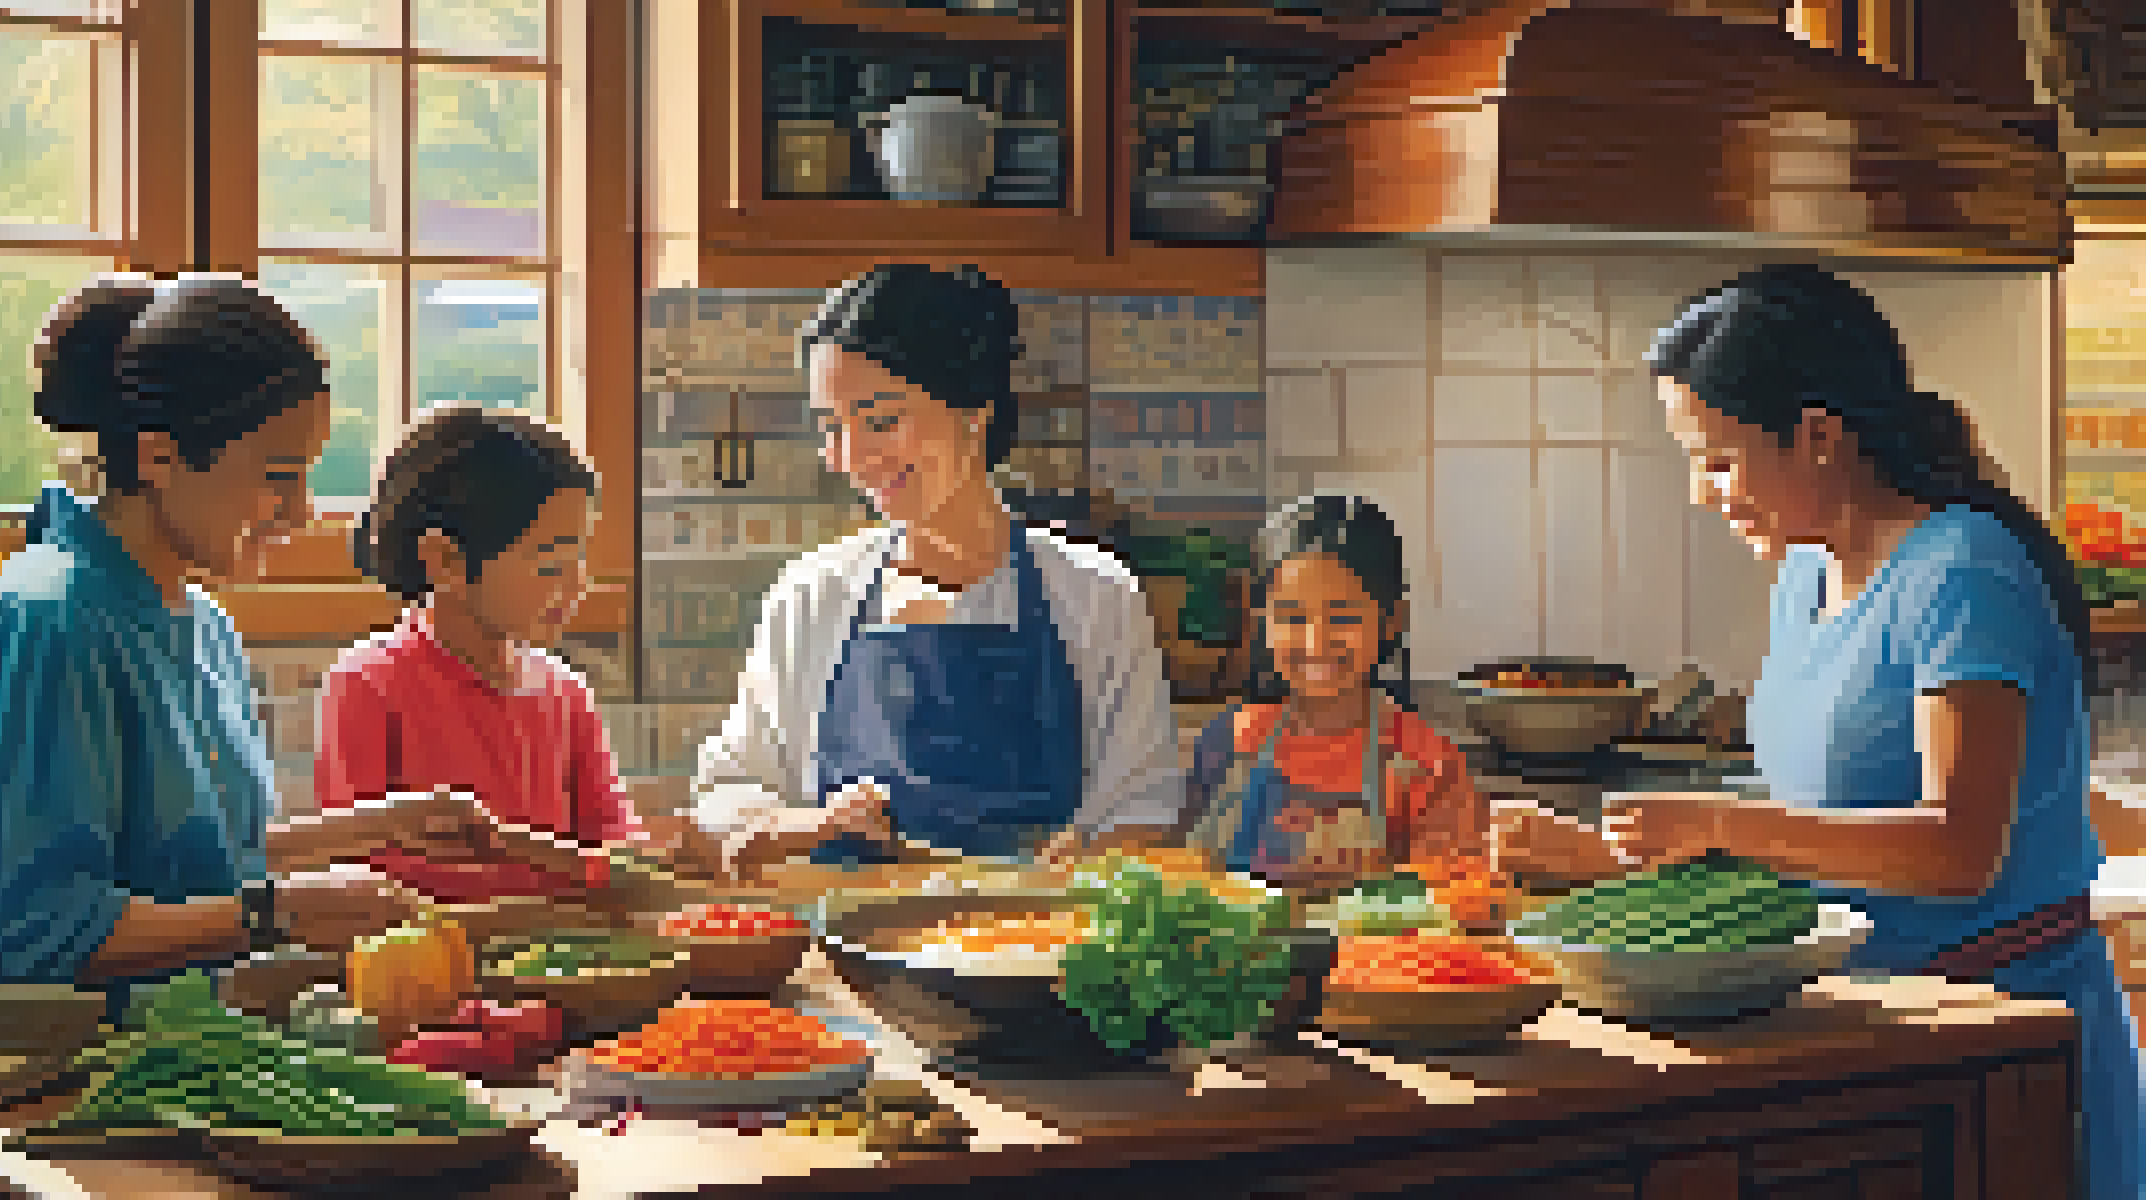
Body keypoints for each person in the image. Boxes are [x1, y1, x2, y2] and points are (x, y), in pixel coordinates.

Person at [1501, 263, 2137, 1200]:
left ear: (1819, 438)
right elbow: (1826, 824)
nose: (1699, 492)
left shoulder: (1963, 572)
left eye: (1716, 458)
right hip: (1875, 1032)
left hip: (2002, 1040)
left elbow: (1959, 852)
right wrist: (1618, 859)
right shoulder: (1807, 574)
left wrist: (1715, 826)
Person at [0, 275, 491, 1012]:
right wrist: (277, 911)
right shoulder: (52, 619)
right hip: (68, 1085)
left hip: (199, 1055)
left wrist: (388, 824)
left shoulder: (203, 624)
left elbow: (194, 858)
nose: (298, 514)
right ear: (160, 456)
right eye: (276, 477)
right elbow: (44, 926)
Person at [691, 264, 1186, 873]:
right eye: (830, 426)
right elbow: (728, 792)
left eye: (881, 422)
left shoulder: (1095, 594)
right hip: (848, 953)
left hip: (1036, 943)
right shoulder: (813, 594)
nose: (851, 458)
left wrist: (1088, 859)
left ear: (973, 413)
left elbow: (1143, 804)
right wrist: (807, 824)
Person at [317, 407, 637, 905]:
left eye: (581, 559)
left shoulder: (565, 692)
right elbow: (357, 876)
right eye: (551, 564)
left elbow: (619, 851)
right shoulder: (368, 685)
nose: (578, 586)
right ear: (444, 560)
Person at [1183, 494, 1491, 889]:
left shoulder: (1426, 766)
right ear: (1261, 619)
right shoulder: (1225, 745)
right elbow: (1177, 876)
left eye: (1343, 617)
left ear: (1393, 619)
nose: (1316, 643)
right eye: (1292, 617)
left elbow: (1458, 900)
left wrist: (1372, 883)